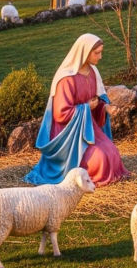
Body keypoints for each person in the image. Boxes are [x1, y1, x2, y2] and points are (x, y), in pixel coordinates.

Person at [24, 33, 128, 187]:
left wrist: (104, 107)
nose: (101, 57)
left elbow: (94, 100)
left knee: (112, 152)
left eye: (101, 52)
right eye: (97, 53)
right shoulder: (66, 79)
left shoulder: (92, 73)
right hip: (68, 134)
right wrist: (86, 107)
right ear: (85, 52)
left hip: (87, 128)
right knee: (100, 159)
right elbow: (60, 114)